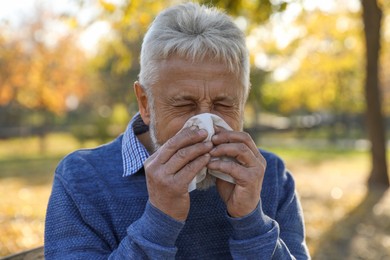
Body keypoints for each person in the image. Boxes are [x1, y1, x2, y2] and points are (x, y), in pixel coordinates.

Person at [45, 2, 310, 259]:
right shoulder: (82, 180)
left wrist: (252, 222)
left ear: (243, 102)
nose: (205, 127)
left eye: (223, 104)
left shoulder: (271, 176)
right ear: (145, 103)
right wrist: (160, 220)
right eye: (184, 104)